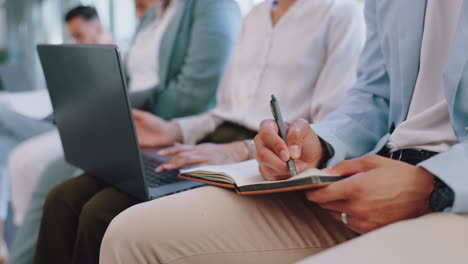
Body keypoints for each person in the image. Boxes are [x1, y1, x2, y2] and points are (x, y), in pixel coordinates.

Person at [100, 0, 468, 263]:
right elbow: (374, 95)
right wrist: (321, 143)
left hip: (454, 187)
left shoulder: (337, 13)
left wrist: (435, 184)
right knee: (130, 233)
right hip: (374, 171)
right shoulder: (256, 16)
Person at [33, 0, 365, 264]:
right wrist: (174, 128)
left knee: (100, 212)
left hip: (266, 157)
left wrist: (240, 150)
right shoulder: (255, 17)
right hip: (216, 141)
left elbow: (326, 128)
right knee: (63, 198)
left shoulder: (341, 13)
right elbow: (223, 111)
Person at [8, 1, 241, 264]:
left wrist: (127, 106)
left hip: (155, 125)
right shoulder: (150, 17)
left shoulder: (209, 7)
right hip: (124, 119)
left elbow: (193, 96)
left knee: (77, 197)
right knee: (56, 192)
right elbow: (126, 77)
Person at [0, 6, 113, 264]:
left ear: (97, 26)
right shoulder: (81, 58)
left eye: (80, 35)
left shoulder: (114, 56)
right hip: (59, 115)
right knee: (3, 145)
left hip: (72, 124)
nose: (76, 42)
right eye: (72, 37)